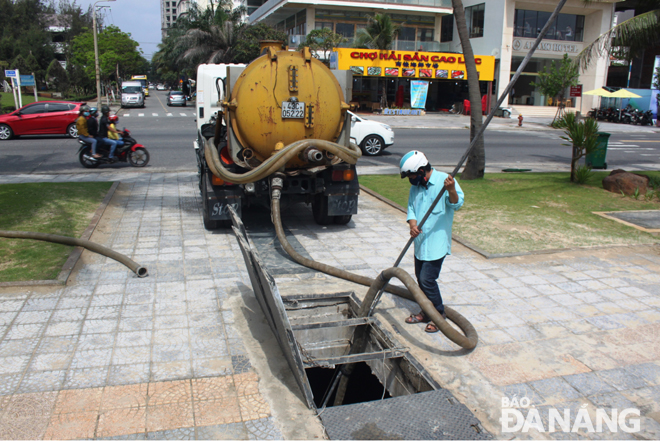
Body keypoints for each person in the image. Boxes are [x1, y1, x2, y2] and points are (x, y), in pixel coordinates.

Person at [400, 151, 464, 333]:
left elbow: (456, 204)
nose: (410, 180)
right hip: (420, 243)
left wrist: (451, 190)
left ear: (421, 170)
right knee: (421, 281)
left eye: (411, 175)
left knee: (427, 279)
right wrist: (412, 225)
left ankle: (439, 315)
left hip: (436, 243)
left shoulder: (445, 181)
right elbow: (411, 208)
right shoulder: (416, 187)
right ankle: (426, 312)